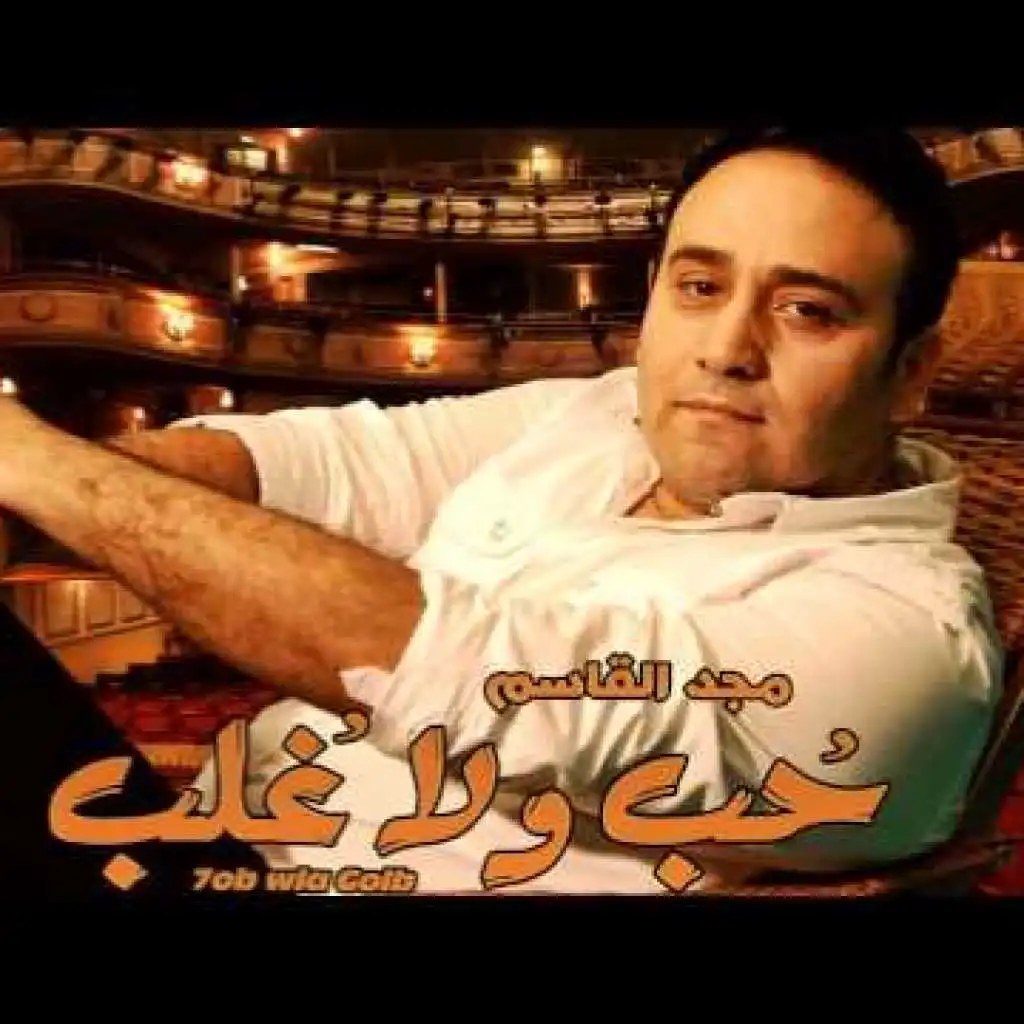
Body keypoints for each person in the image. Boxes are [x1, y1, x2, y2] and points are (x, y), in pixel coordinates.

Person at [0, 127, 1004, 895]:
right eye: (700, 285)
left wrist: (37, 463)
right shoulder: (598, 416)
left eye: (807, 310)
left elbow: (459, 676)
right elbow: (314, 461)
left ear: (910, 372)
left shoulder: (906, 637)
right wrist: (34, 486)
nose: (726, 348)